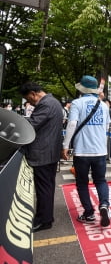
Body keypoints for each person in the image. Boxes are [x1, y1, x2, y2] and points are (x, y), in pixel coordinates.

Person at [61, 75, 111, 227]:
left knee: (82, 183)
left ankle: (89, 213)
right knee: (101, 180)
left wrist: (65, 145)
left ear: (82, 89)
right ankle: (104, 205)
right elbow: (107, 127)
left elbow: (72, 124)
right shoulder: (103, 105)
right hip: (100, 151)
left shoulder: (77, 103)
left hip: (82, 151)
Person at [19, 82, 64, 232]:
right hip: (49, 151)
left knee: (43, 188)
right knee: (47, 187)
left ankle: (43, 220)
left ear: (33, 93)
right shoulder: (54, 102)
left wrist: (18, 121)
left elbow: (32, 124)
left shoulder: (46, 104)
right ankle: (46, 217)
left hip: (43, 152)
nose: (30, 103)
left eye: (29, 99)